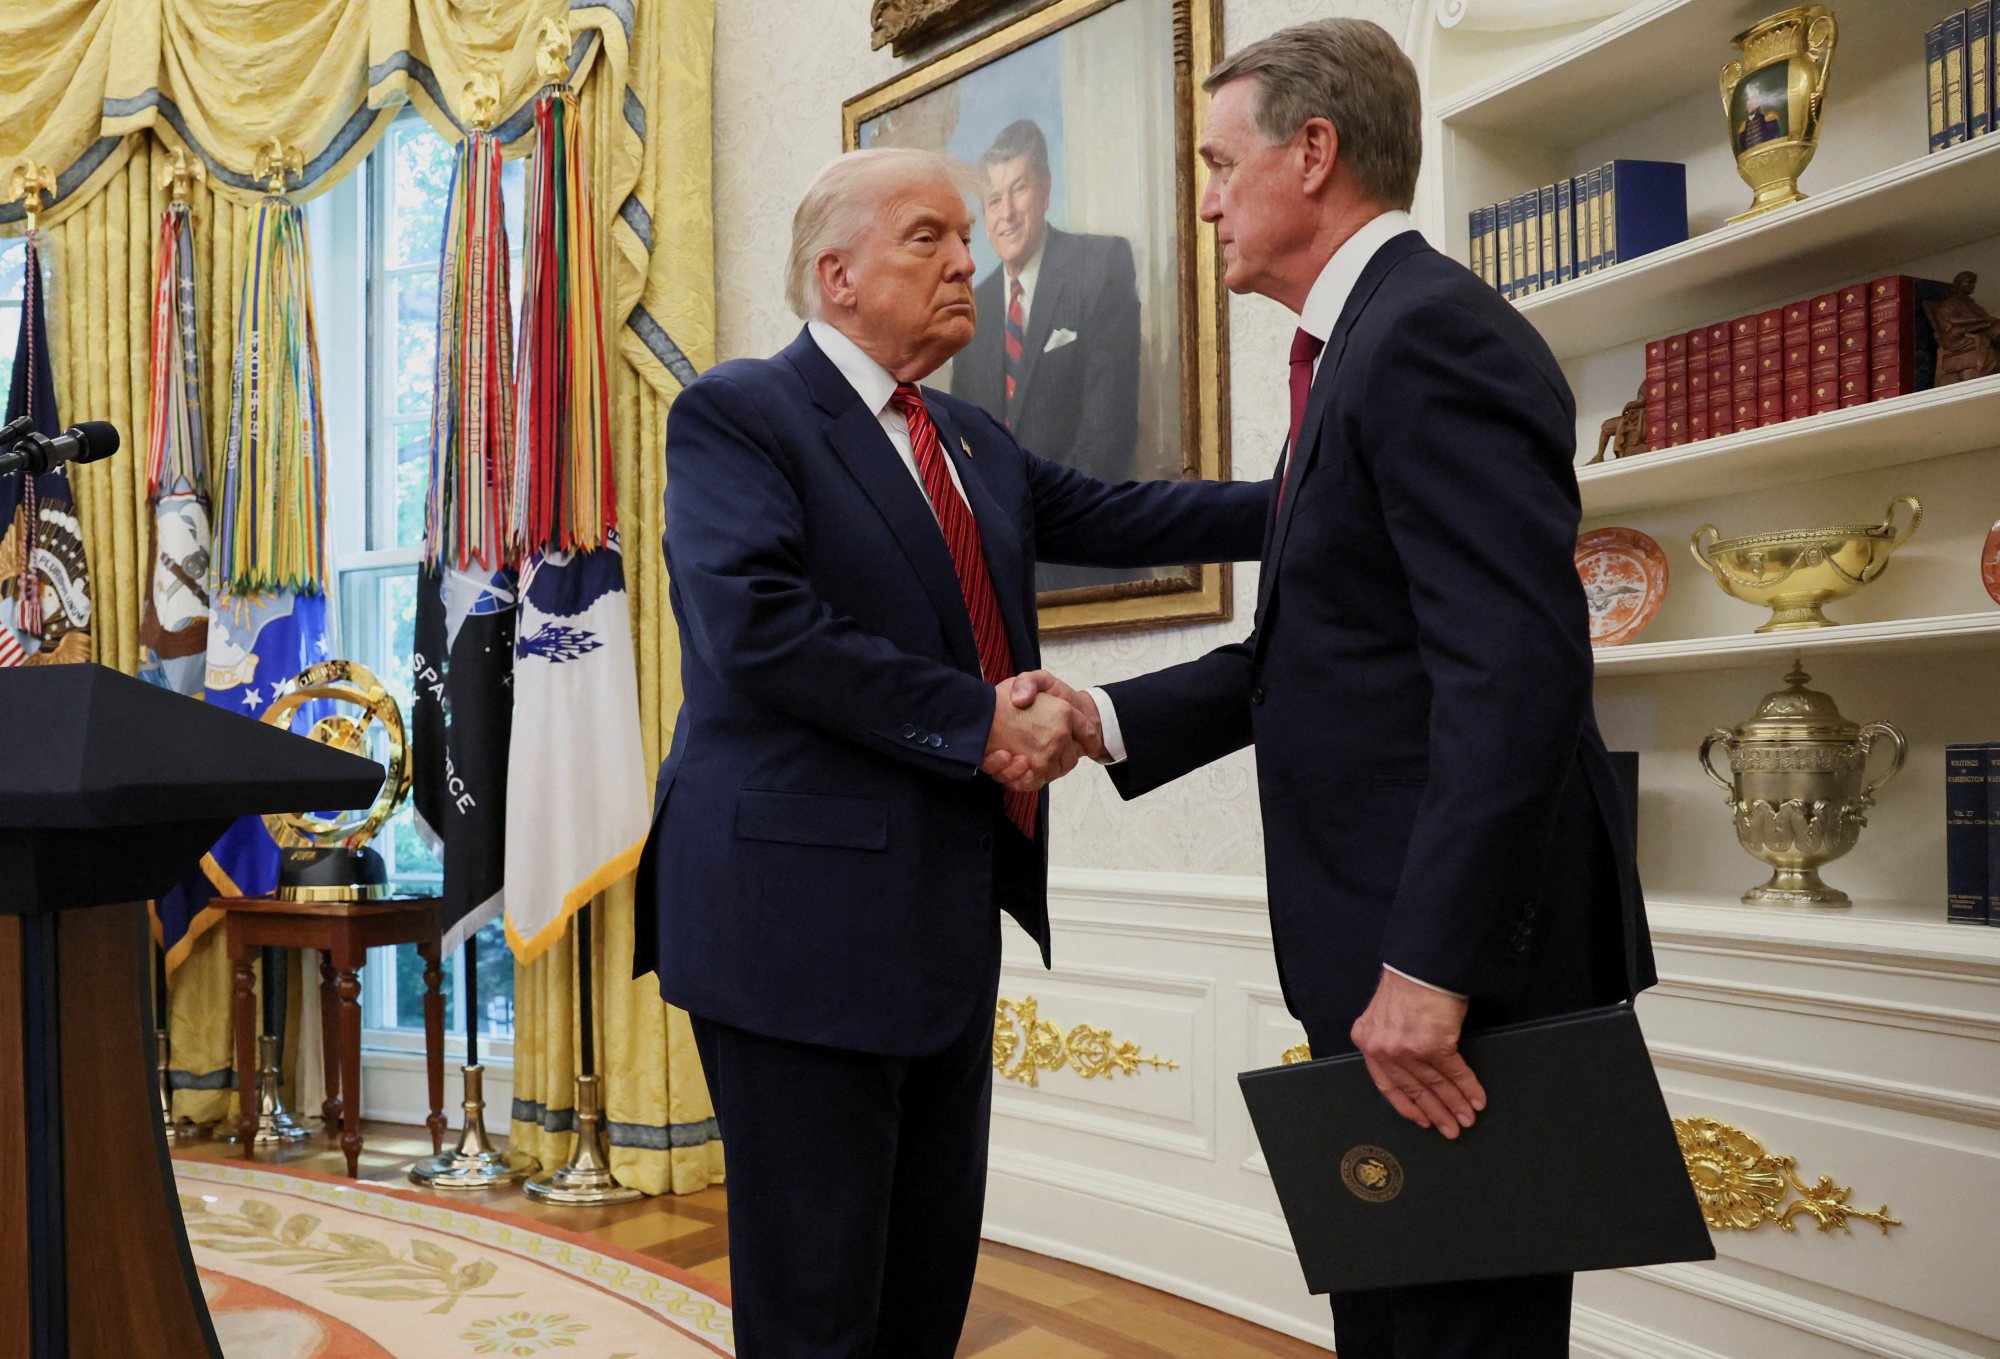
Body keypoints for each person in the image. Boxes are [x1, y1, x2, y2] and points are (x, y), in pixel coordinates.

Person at [999, 20, 1652, 1358]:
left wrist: (1430, 965)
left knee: (1460, 1333)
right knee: (1399, 1320)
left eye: (1220, 160)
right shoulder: (1357, 350)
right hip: (1395, 952)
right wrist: (1102, 714)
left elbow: (1514, 674)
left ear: (1314, 151)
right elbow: (1320, 652)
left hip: (1461, 972)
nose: (1206, 196)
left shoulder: (1427, 339)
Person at [633, 146, 1266, 1358]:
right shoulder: (740, 413)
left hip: (939, 915)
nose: (963, 260)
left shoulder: (967, 437)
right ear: (836, 275)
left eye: (964, 237)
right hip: (790, 924)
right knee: (817, 1300)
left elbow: (1125, 512)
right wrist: (981, 721)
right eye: (926, 236)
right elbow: (757, 629)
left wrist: (1314, 490)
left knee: (923, 1283)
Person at [950, 119, 1143, 591]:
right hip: (1001, 573)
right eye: (994, 200)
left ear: (1046, 190)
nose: (1008, 213)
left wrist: (1029, 530)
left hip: (1087, 555)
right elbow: (965, 452)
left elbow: (1106, 434)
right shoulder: (972, 307)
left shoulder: (1099, 266)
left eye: (1019, 189)